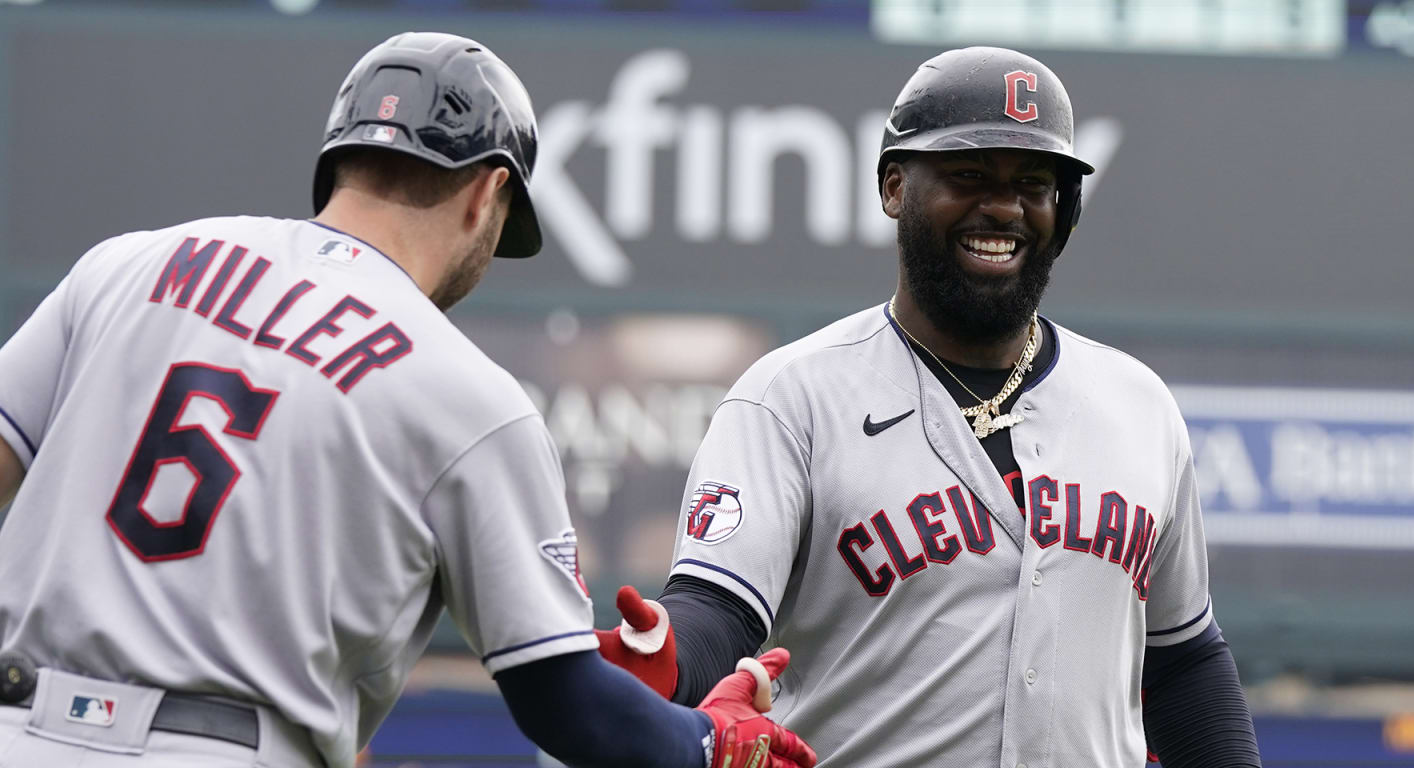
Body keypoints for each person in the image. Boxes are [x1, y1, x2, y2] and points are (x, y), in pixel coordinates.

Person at [0, 32, 815, 768]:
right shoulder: (467, 392)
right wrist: (708, 742)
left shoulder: (130, 264)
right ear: (486, 195)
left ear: (340, 160)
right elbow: (568, 707)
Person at [596, 47, 1263, 767]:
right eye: (968, 174)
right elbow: (717, 612)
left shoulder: (1139, 407)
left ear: (1062, 209)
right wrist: (663, 658)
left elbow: (1181, 661)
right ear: (893, 187)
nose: (1003, 205)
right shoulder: (792, 397)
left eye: (1034, 182)